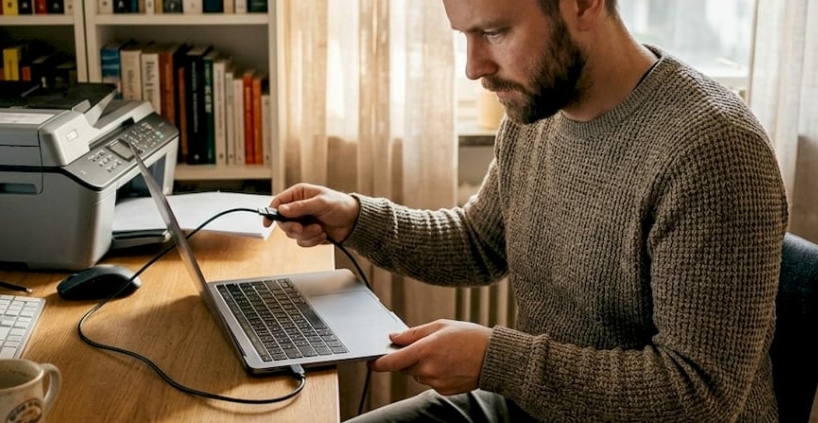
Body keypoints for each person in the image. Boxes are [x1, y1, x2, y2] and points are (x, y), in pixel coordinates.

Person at [266, 0, 788, 421]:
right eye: (464, 36)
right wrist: (356, 217)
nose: (474, 68)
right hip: (531, 408)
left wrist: (496, 360)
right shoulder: (536, 106)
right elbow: (479, 242)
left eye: (494, 33)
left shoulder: (713, 150)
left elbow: (698, 396)